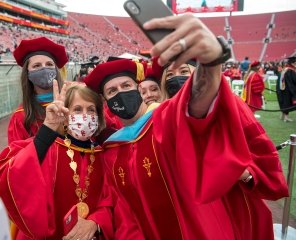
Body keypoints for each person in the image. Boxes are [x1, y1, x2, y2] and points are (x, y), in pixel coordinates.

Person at [84, 13, 288, 239]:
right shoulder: (112, 150)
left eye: (126, 85)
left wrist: (209, 65)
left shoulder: (166, 120)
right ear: (106, 102)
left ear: (139, 88)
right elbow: (126, 211)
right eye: (112, 91)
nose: (121, 93)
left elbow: (196, 103)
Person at [0, 83, 116, 240]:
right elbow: (8, 179)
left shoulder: (104, 154)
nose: (85, 115)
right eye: (77, 109)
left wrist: (95, 222)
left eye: (91, 109)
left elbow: (111, 201)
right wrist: (48, 128)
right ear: (65, 115)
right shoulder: (45, 148)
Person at [7, 37, 67, 144]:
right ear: (27, 73)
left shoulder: (75, 102)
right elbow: (17, 157)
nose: (44, 69)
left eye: (49, 64)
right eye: (36, 66)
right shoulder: (20, 117)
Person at [277, 56, 296, 122]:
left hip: (282, 89)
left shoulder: (285, 69)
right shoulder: (290, 70)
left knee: (284, 102)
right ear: (293, 63)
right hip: (288, 90)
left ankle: (283, 116)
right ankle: (286, 118)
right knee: (287, 103)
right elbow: (294, 81)